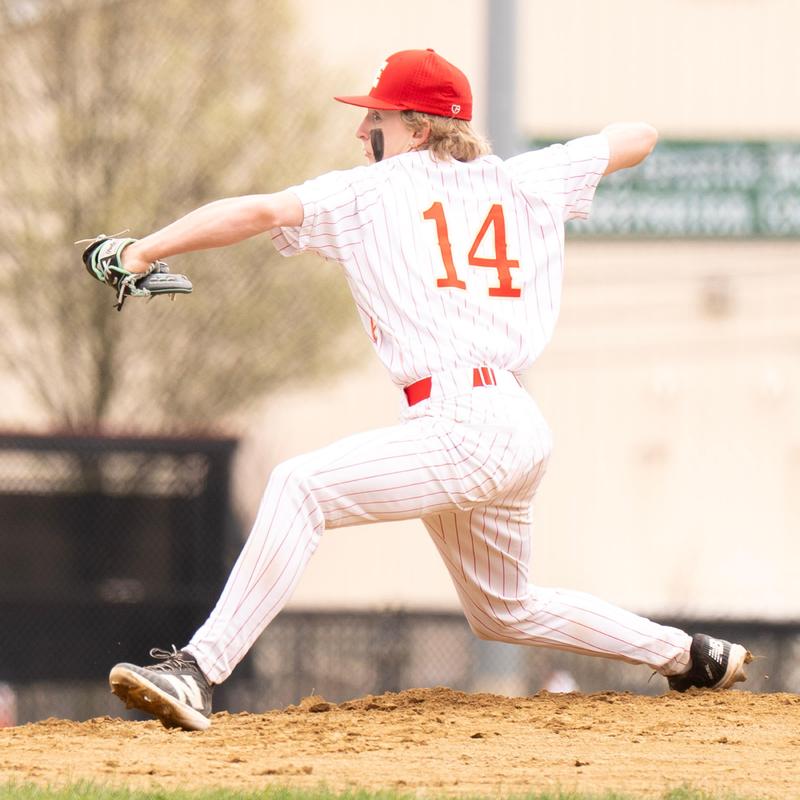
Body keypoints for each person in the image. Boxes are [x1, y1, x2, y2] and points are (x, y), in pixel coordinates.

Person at [107, 48, 751, 731]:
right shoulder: (524, 179)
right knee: (504, 609)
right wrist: (580, 152)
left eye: (375, 118)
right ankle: (692, 656)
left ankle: (196, 670)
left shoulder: (369, 193)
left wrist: (141, 251)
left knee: (301, 486)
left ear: (417, 128)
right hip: (514, 423)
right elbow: (640, 137)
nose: (363, 133)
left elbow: (260, 210)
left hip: (460, 422)